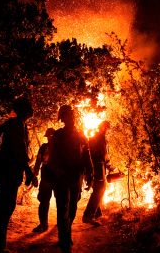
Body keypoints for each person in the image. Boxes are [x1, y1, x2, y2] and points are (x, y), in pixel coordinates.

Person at [0, 97, 38, 253]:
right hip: (9, 173)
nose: (32, 110)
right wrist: (29, 172)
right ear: (24, 110)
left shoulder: (17, 125)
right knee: (4, 207)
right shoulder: (16, 125)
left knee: (1, 205)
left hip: (9, 172)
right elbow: (19, 152)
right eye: (29, 107)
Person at [48, 105, 93, 253]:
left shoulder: (80, 135)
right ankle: (64, 239)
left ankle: (66, 232)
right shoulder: (58, 136)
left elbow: (86, 154)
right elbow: (52, 157)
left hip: (76, 176)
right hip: (61, 177)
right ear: (62, 118)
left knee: (72, 207)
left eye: (72, 115)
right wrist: (59, 171)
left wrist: (90, 173)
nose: (71, 118)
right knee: (63, 208)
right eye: (68, 116)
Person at [82, 120, 112, 226]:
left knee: (98, 189)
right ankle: (88, 215)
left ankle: (97, 213)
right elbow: (103, 154)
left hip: (95, 167)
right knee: (100, 189)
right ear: (104, 128)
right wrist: (109, 165)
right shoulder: (100, 138)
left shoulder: (95, 138)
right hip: (98, 167)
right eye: (107, 128)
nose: (108, 130)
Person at [32, 127, 56, 233]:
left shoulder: (60, 148)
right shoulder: (43, 147)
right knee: (44, 201)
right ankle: (43, 224)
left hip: (57, 178)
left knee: (62, 202)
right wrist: (35, 175)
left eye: (51, 136)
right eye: (48, 136)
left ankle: (62, 223)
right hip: (46, 178)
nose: (50, 138)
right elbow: (38, 162)